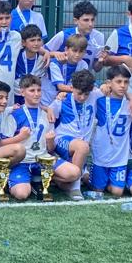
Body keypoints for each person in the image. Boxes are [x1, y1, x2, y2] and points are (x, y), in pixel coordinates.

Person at [90, 67, 132, 200]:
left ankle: (113, 181)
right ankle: (87, 176)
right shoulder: (99, 100)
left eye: (126, 82)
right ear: (109, 83)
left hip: (119, 158)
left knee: (117, 192)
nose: (122, 85)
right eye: (118, 81)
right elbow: (85, 92)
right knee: (97, 190)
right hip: (101, 155)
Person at [48, 69, 99, 201]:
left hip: (81, 144)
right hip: (62, 140)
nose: (82, 97)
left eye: (86, 94)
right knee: (82, 147)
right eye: (79, 93)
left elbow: (111, 86)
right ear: (71, 88)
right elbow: (49, 114)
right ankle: (75, 188)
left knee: (89, 180)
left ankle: (58, 180)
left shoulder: (95, 95)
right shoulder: (62, 100)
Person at [4, 75, 53, 201]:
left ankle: (37, 179)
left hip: (42, 160)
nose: (36, 94)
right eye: (32, 90)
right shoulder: (15, 115)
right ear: (22, 92)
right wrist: (20, 137)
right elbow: (2, 144)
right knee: (21, 194)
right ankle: (22, 180)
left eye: (39, 90)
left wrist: (50, 141)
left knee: (72, 173)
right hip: (22, 162)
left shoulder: (46, 114)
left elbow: (51, 149)